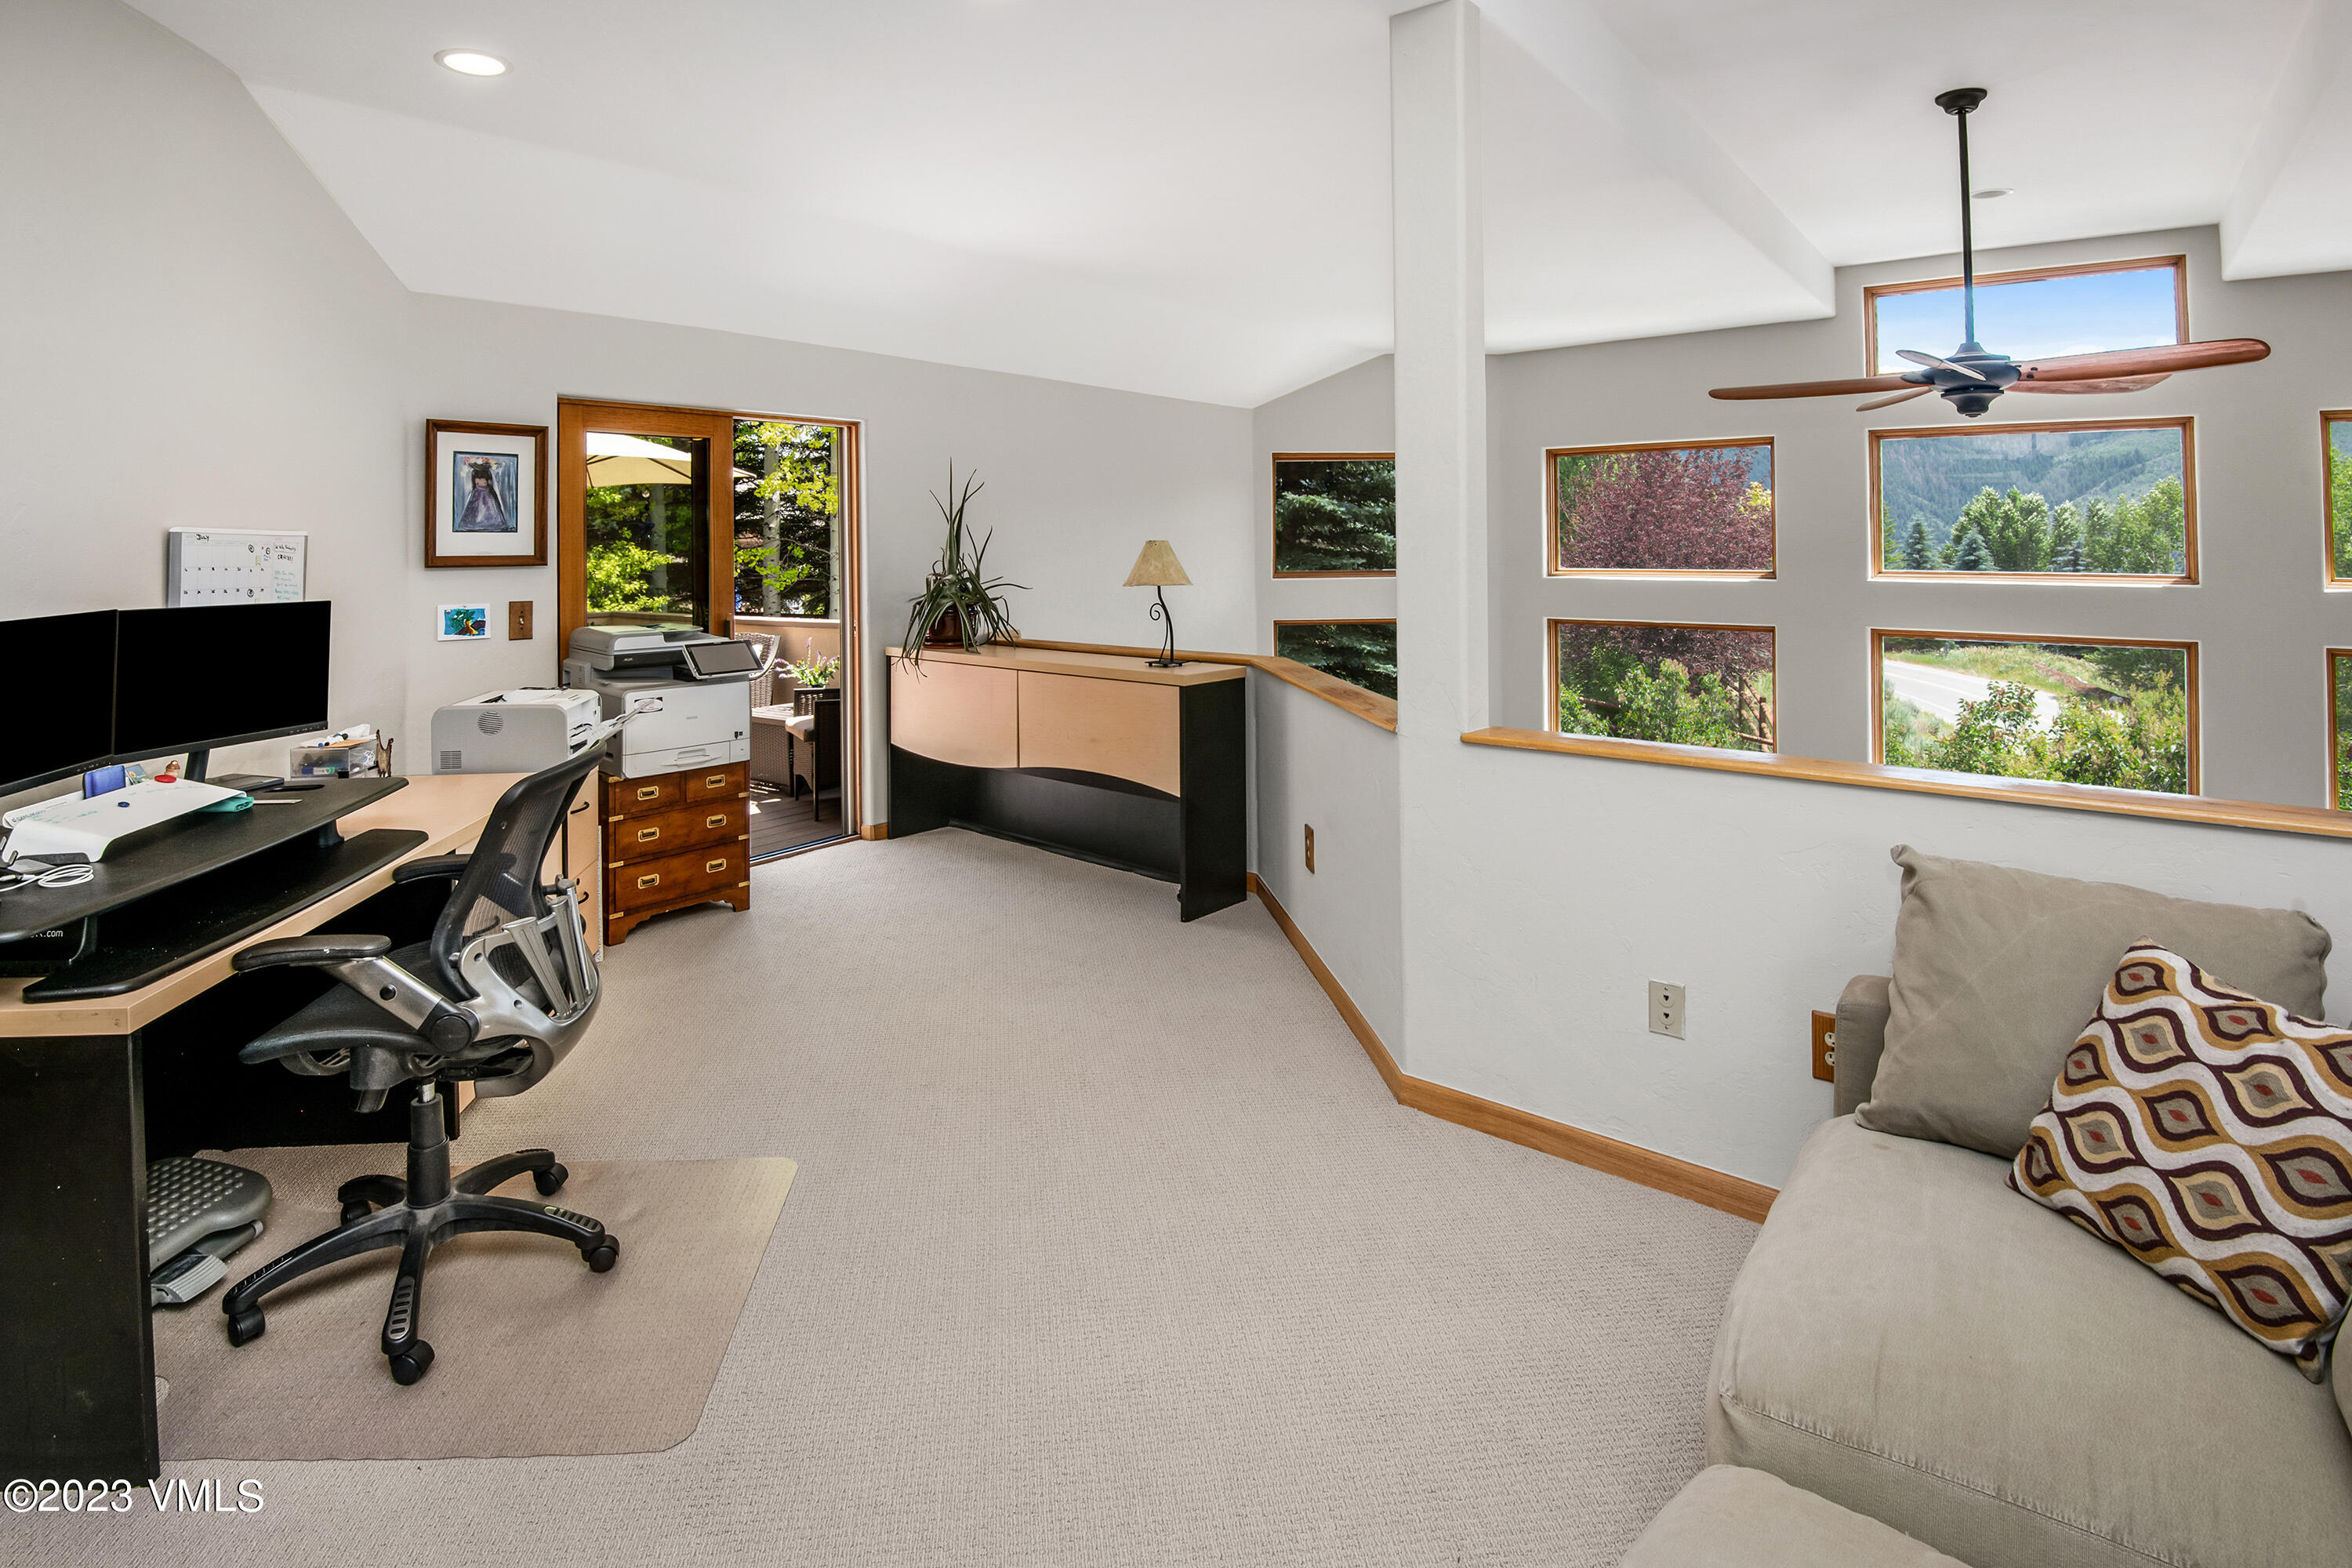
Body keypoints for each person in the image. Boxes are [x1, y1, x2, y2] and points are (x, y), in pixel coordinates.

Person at [456, 456, 510, 532]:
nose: (480, 484)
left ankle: (491, 524)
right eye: (477, 483)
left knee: (490, 509)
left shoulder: (490, 491)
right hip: (477, 497)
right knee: (474, 510)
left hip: (487, 497)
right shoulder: (475, 492)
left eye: (483, 482)